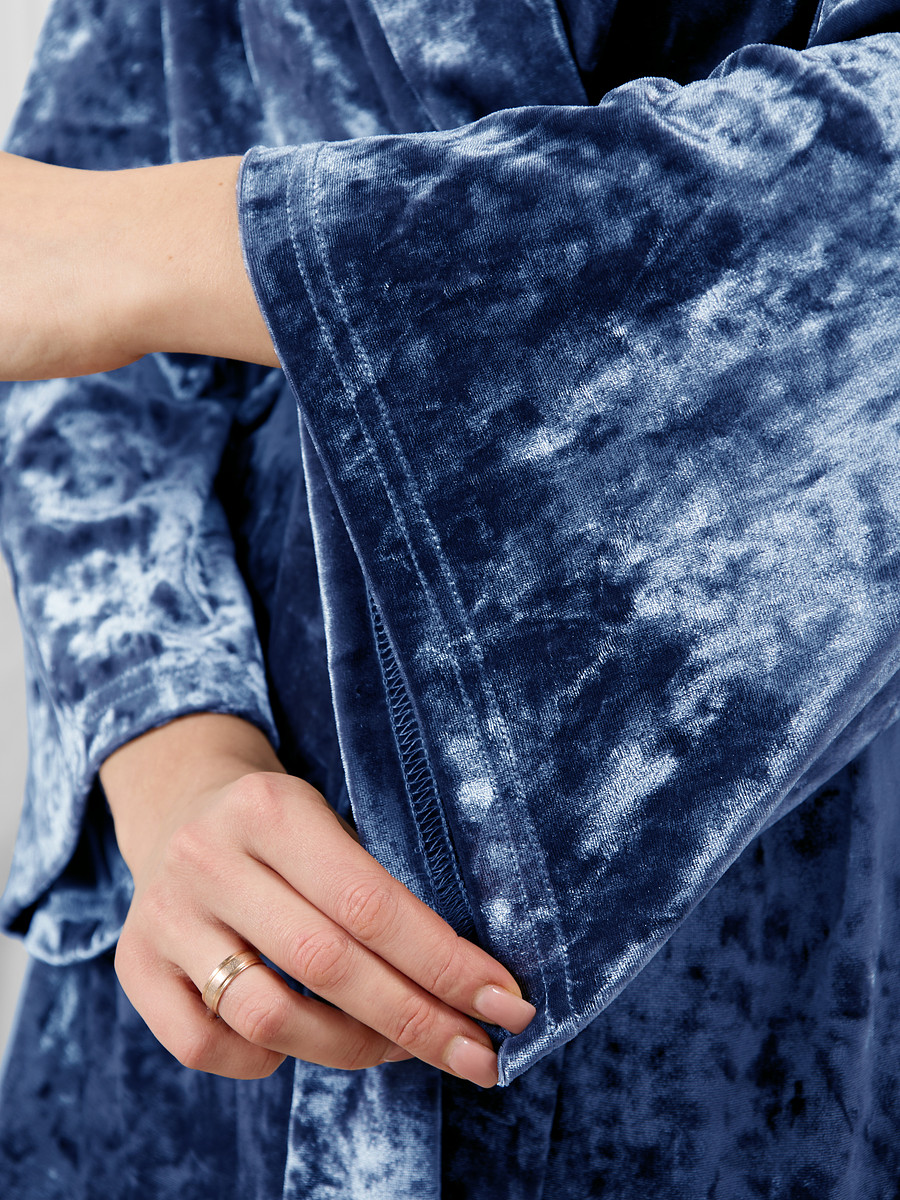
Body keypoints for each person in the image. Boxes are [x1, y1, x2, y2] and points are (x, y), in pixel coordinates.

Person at [1, 0, 900, 1195]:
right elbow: (55, 293)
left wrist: (169, 246)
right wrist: (177, 749)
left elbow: (74, 245)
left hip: (767, 950)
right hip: (216, 945)